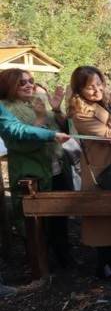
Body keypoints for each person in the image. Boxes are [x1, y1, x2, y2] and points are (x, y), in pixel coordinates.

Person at [68, 66, 111, 279]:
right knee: (103, 222)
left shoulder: (105, 104)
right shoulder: (80, 112)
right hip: (100, 173)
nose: (97, 90)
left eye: (99, 84)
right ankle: (105, 265)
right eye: (90, 87)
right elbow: (110, 135)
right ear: (79, 90)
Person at [0, 68, 74, 268]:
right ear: (8, 85)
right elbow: (20, 140)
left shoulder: (35, 103)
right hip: (32, 175)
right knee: (35, 224)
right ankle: (39, 267)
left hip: (57, 170)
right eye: (22, 82)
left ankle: (64, 261)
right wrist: (41, 120)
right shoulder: (4, 108)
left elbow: (62, 131)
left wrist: (57, 110)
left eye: (30, 80)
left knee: (59, 219)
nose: (29, 85)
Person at [0, 104, 69, 298]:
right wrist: (49, 134)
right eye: (22, 82)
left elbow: (13, 127)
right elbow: (16, 133)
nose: (28, 85)